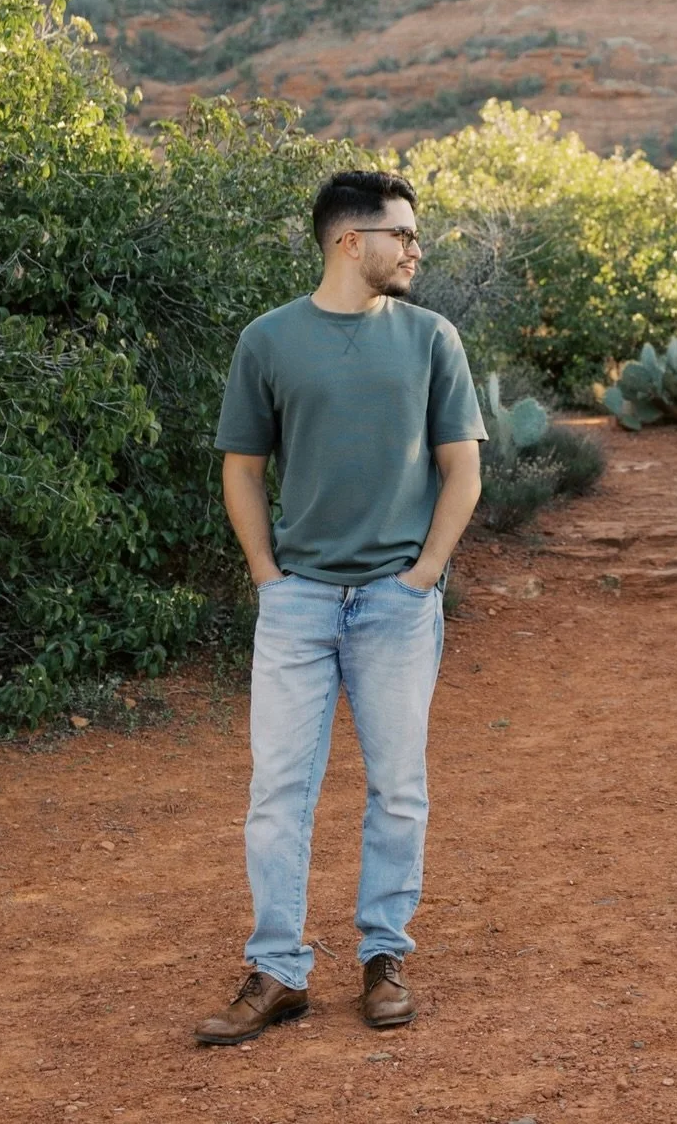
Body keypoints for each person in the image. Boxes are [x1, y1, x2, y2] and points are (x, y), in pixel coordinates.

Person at [195, 170, 487, 1046]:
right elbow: (241, 466)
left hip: (398, 603)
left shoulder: (433, 337)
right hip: (298, 604)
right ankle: (279, 972)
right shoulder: (270, 340)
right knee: (278, 791)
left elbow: (462, 468)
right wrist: (268, 577)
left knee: (398, 788)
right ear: (348, 241)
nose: (415, 249)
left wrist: (424, 575)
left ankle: (383, 955)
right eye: (402, 233)